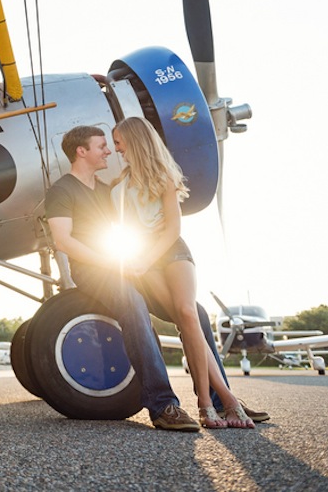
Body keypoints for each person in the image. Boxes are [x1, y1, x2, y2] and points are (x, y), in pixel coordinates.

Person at [45, 125, 199, 432]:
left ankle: (223, 400)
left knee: (194, 312)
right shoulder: (61, 190)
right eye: (101, 145)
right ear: (81, 151)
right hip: (93, 270)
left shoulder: (107, 191)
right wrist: (113, 262)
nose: (109, 150)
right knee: (133, 302)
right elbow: (63, 241)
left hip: (123, 264)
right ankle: (162, 405)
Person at [110, 116, 253, 428]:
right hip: (143, 260)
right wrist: (140, 260)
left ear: (135, 140)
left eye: (118, 141)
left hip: (172, 250)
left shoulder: (165, 175)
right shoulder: (118, 188)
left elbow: (172, 228)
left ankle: (208, 402)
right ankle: (225, 400)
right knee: (182, 318)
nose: (116, 147)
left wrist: (148, 258)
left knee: (188, 312)